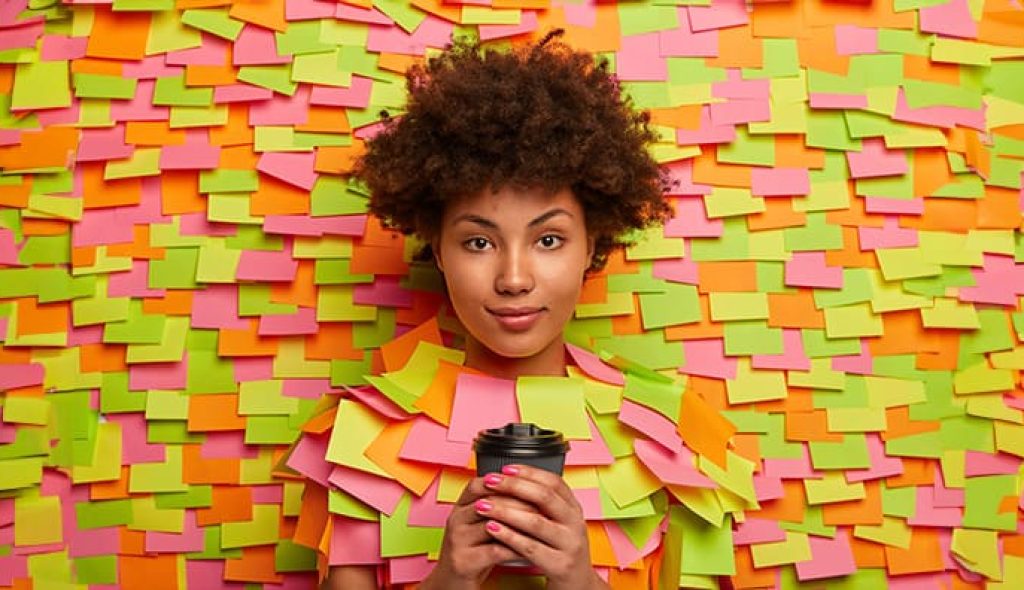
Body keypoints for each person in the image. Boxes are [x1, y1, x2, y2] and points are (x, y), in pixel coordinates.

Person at [285, 29, 709, 589]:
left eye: (549, 240)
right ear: (438, 249)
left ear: (593, 245)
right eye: (479, 242)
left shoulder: (664, 434)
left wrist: (580, 581)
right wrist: (450, 580)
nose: (513, 279)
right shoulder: (360, 433)